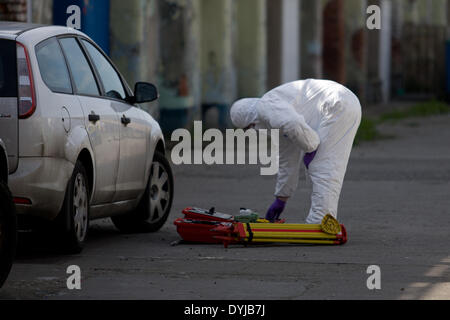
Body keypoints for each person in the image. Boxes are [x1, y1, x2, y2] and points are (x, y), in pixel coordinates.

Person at [230, 79, 362, 224]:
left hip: (336, 104)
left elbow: (292, 123)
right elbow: (287, 160)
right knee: (319, 167)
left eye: (249, 128)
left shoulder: (265, 106)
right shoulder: (274, 118)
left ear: (250, 121)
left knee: (322, 167)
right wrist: (281, 198)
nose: (253, 131)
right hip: (342, 103)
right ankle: (320, 220)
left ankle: (321, 222)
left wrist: (311, 147)